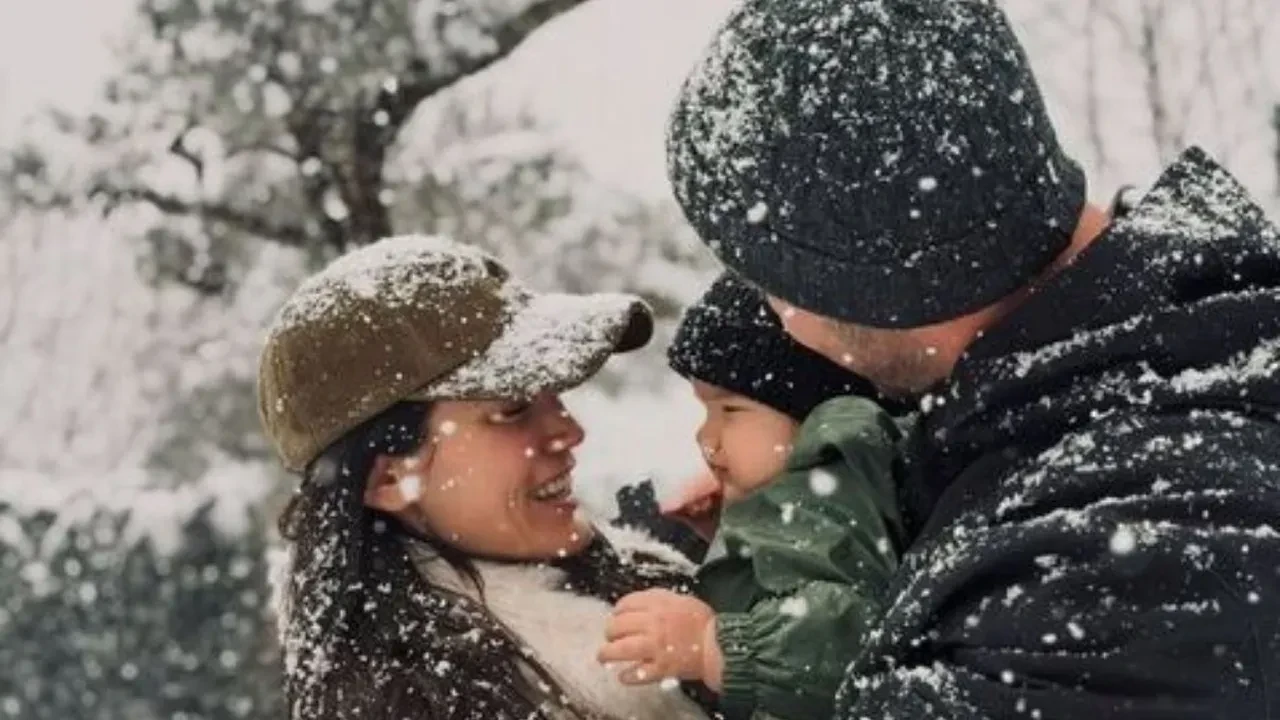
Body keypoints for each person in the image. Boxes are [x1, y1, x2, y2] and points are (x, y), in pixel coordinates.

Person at [665, 0, 1280, 718]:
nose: (777, 316)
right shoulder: (1154, 380)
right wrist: (800, 541)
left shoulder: (1119, 586)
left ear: (870, 284)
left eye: (773, 283)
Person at [258, 234, 709, 720]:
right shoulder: (421, 706)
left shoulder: (634, 588)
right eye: (513, 411)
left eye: (554, 393)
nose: (570, 431)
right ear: (385, 480)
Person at [597, 273, 911, 720]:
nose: (706, 437)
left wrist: (712, 646)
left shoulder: (830, 476)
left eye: (731, 411)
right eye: (705, 410)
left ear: (815, 413)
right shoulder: (822, 490)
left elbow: (847, 639)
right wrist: (736, 532)